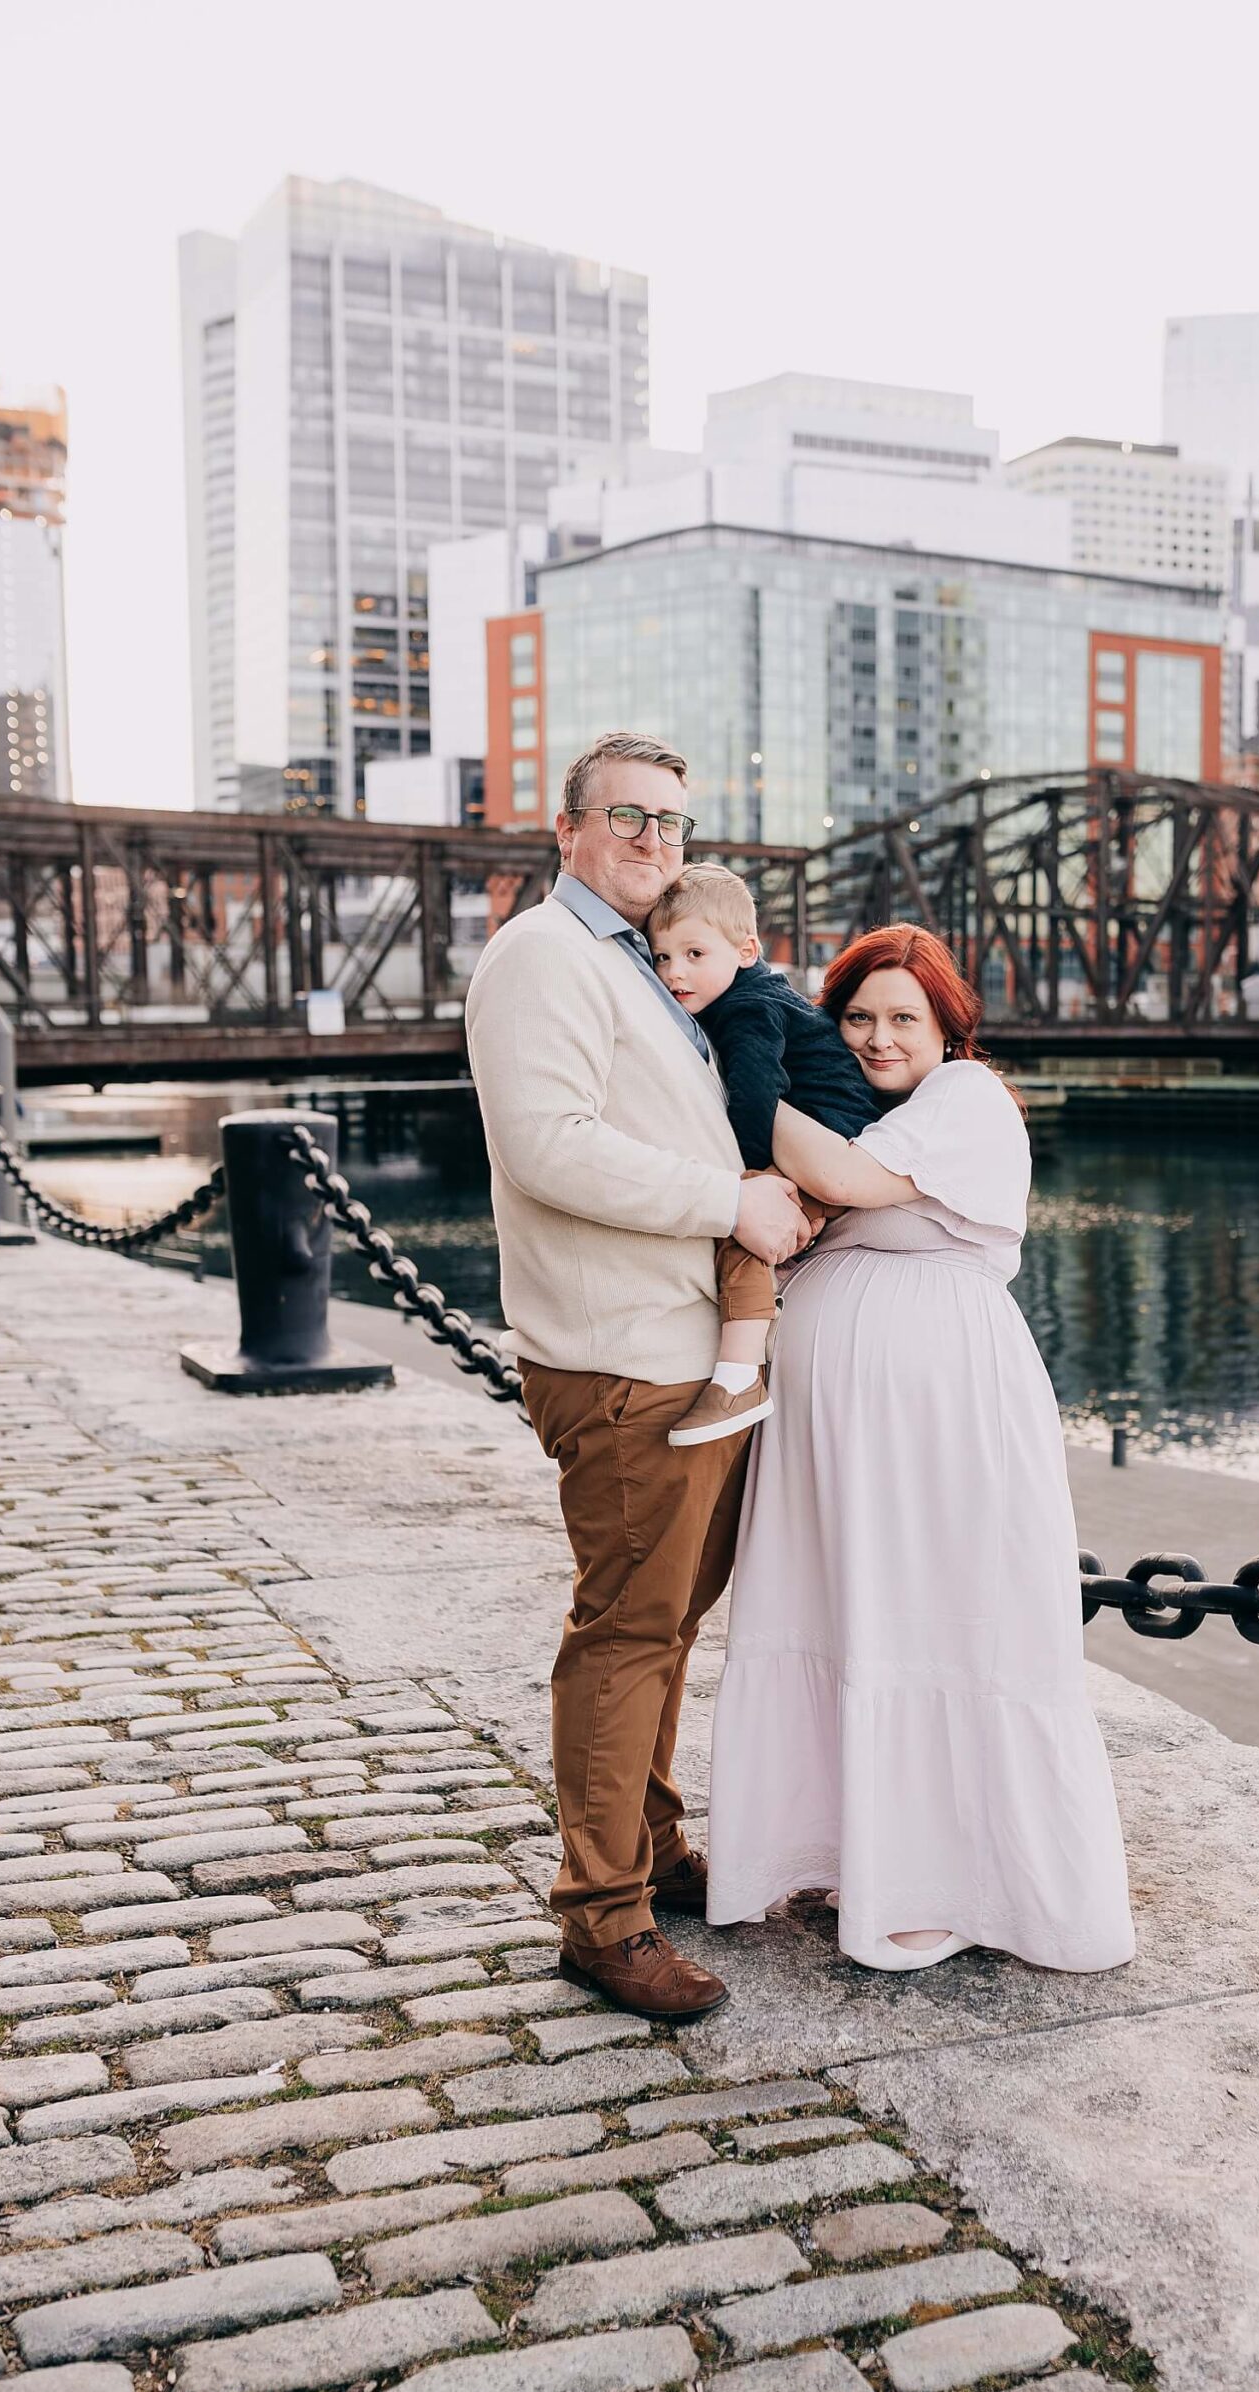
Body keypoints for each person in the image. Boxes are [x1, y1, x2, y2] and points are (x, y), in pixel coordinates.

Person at [706, 925, 1135, 1975]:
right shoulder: (853, 1101)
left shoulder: (965, 1101)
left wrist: (738, 1052)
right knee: (843, 1615)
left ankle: (948, 1876)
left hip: (940, 1414)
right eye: (855, 1017)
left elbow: (848, 1182)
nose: (878, 1037)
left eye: (904, 1017)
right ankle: (848, 1848)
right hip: (833, 1430)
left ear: (948, 1028)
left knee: (944, 1618)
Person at [464, 732, 811, 2021]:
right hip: (621, 1365)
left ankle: (651, 1851)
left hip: (675, 1358)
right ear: (567, 830)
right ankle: (601, 1917)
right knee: (623, 1635)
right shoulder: (542, 958)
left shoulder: (638, 963)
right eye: (626, 817)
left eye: (671, 821)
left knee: (664, 1625)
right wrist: (729, 1199)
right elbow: (550, 1148)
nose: (653, 842)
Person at [646, 862, 894, 1449]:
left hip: (836, 1128)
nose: (675, 972)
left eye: (694, 954)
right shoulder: (746, 995)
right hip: (831, 1125)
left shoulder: (747, 1008)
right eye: (661, 957)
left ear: (747, 949)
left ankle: (737, 1380)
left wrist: (747, 1177)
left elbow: (758, 1089)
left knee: (746, 1230)